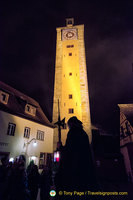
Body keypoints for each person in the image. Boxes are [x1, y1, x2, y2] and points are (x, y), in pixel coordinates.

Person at [55, 116, 98, 194]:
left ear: (71, 124)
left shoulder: (73, 132)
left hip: (75, 169)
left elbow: (70, 151)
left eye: (68, 125)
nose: (68, 127)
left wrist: (60, 147)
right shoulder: (84, 133)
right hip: (85, 168)